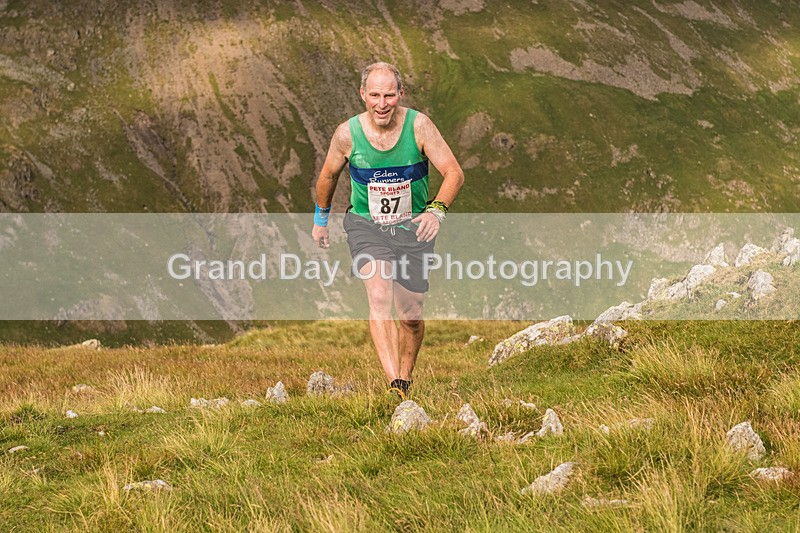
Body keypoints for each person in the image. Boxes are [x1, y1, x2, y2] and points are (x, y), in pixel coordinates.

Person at [312, 61, 464, 399]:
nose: (382, 104)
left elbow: (454, 173)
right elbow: (328, 176)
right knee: (379, 296)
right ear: (363, 94)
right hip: (367, 227)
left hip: (413, 230)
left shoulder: (419, 126)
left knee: (411, 315)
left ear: (401, 94)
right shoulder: (347, 134)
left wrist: (436, 212)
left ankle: (406, 375)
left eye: (389, 96)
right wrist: (320, 220)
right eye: (375, 95)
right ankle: (396, 385)